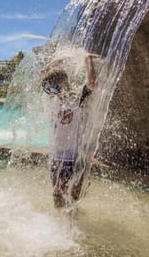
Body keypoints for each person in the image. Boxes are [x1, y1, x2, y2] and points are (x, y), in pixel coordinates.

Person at [41, 53, 99, 209]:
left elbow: (92, 83)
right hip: (55, 156)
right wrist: (56, 62)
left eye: (56, 87)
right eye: (50, 89)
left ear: (64, 83)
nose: (54, 92)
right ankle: (60, 224)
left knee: (71, 196)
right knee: (57, 194)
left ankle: (71, 224)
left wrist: (87, 61)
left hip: (71, 157)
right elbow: (42, 74)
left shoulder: (76, 98)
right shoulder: (53, 99)